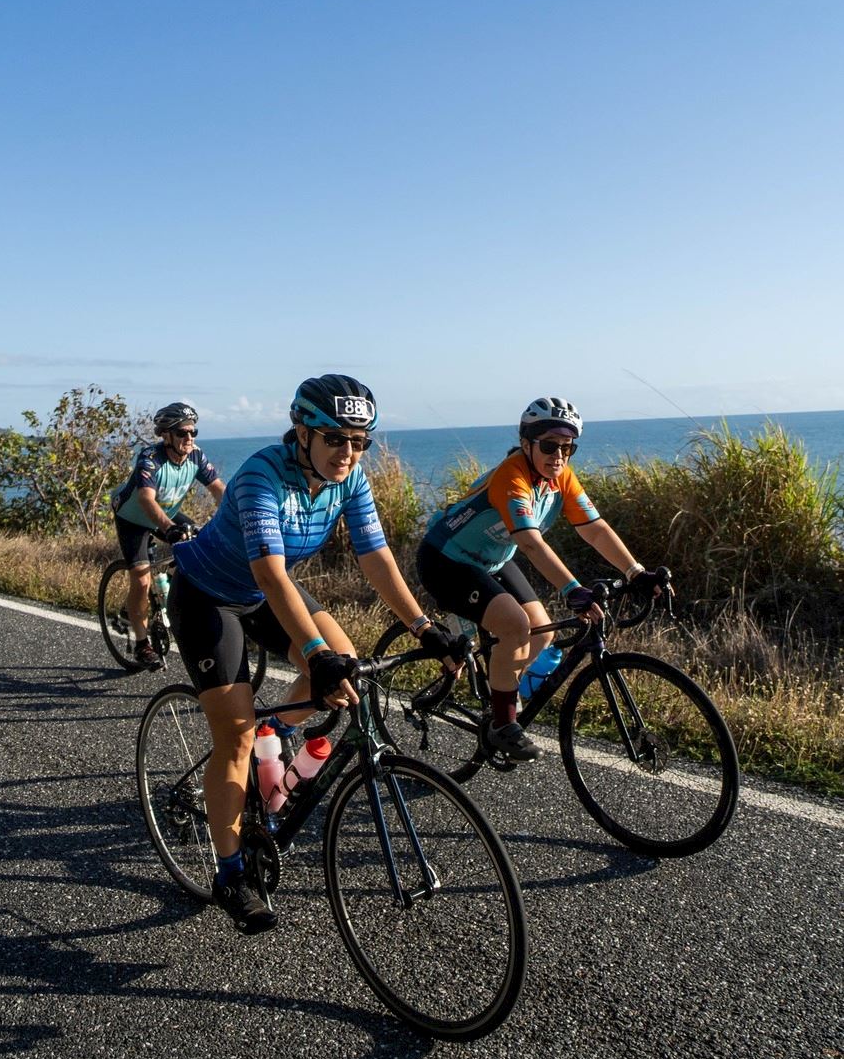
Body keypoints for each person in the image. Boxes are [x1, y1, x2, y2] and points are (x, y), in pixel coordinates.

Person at [167, 374, 455, 934]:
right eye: (336, 440)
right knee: (237, 732)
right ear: (302, 432)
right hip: (209, 596)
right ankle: (231, 875)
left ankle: (274, 744)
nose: (348, 453)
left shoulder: (350, 480)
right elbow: (272, 574)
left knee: (345, 673)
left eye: (360, 441)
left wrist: (424, 627)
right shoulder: (260, 476)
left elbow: (377, 559)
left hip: (266, 591)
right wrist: (314, 651)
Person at [417, 396, 669, 763]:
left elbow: (595, 529)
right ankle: (503, 723)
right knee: (516, 626)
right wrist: (572, 590)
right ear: (526, 444)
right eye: (550, 446)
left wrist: (634, 571)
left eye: (568, 448)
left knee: (543, 630)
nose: (559, 456)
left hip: (492, 559)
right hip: (446, 559)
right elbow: (531, 543)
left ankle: (495, 692)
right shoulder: (511, 476)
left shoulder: (560, 476)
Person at [110, 402, 226, 670]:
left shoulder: (195, 456)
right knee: (140, 580)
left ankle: (161, 600)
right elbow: (146, 499)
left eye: (192, 432)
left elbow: (218, 488)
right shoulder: (150, 458)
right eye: (182, 433)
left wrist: (237, 516)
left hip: (167, 514)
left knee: (198, 551)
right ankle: (141, 644)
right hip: (134, 518)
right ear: (166, 435)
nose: (189, 438)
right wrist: (169, 528)